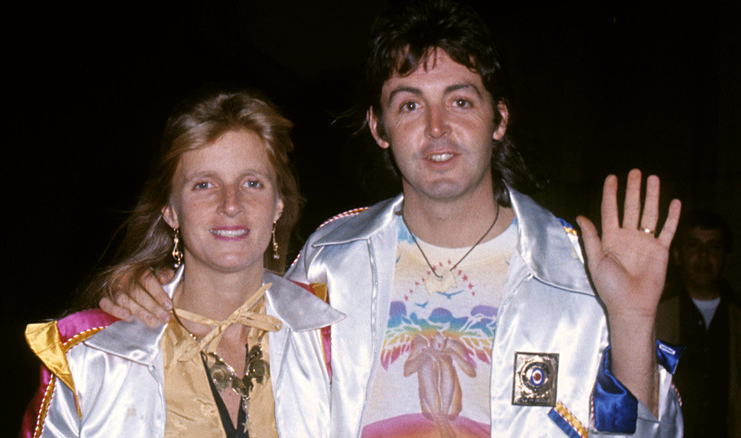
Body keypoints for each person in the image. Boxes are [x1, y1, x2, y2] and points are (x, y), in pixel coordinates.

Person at [102, 1, 684, 436]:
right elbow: (232, 326)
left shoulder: (578, 273)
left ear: (500, 119)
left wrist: (633, 322)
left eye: (460, 100)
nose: (437, 128)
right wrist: (147, 291)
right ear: (379, 127)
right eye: (409, 104)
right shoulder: (330, 262)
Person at [20, 88, 343, 437]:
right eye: (204, 185)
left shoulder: (331, 340)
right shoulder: (93, 358)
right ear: (171, 211)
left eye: (252, 183)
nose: (231, 204)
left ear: (278, 205)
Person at [656, 210, 740, 437]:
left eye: (714, 246)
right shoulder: (655, 315)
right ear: (677, 255)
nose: (704, 255)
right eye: (693, 245)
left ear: (727, 257)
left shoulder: (736, 318)